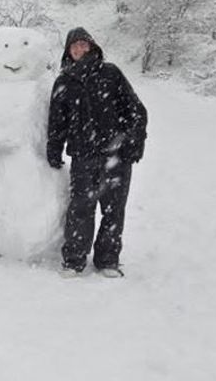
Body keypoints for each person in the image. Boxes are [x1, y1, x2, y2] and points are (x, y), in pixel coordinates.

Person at [46, 27, 148, 278]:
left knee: (114, 210)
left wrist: (134, 141)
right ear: (68, 51)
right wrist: (54, 147)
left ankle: (108, 260)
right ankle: (74, 260)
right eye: (74, 46)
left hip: (117, 155)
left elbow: (136, 110)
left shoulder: (110, 73)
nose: (79, 49)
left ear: (92, 46)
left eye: (83, 44)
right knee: (80, 207)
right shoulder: (64, 81)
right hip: (83, 156)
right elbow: (57, 121)